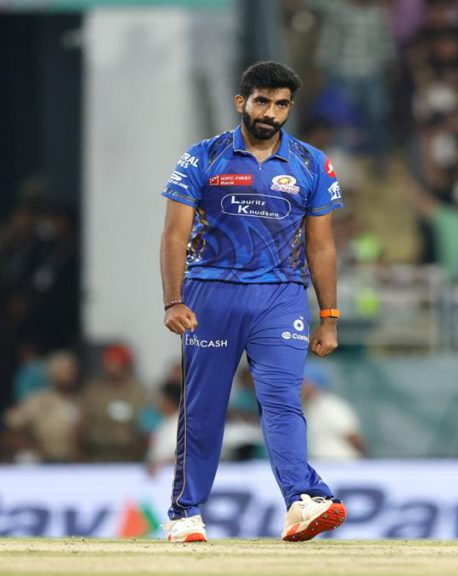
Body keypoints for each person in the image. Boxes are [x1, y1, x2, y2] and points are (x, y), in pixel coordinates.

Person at [159, 62, 345, 543]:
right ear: (241, 102)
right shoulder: (203, 157)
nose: (271, 113)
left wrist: (329, 317)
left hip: (281, 296)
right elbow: (175, 234)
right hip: (211, 293)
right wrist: (173, 301)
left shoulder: (311, 163)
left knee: (282, 400)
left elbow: (322, 246)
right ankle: (185, 513)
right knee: (204, 408)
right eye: (262, 101)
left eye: (281, 104)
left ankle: (301, 501)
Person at [77, 344, 149, 463]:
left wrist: (139, 454)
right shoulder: (93, 391)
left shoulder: (138, 393)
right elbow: (81, 425)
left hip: (128, 455)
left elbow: (146, 427)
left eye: (116, 363)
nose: (112, 367)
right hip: (97, 454)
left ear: (126, 365)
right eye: (109, 363)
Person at [302, 362, 367, 461]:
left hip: (343, 466)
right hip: (324, 467)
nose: (299, 387)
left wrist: (367, 462)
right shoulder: (309, 408)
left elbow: (353, 436)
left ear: (314, 384)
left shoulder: (332, 406)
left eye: (303, 382)